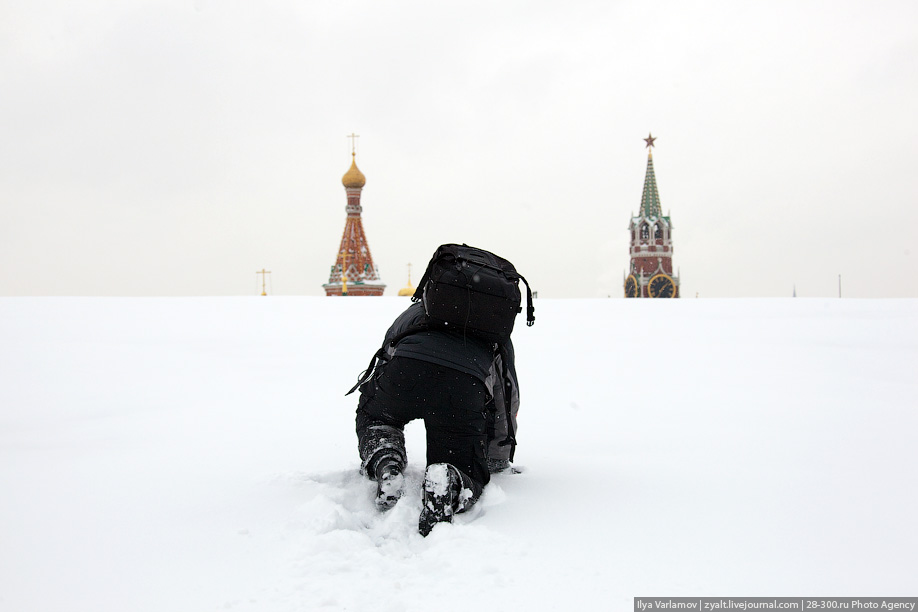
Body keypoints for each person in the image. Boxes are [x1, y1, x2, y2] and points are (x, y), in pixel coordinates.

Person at [352, 299, 520, 536]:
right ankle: (449, 478)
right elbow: (504, 396)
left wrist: (384, 395)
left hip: (404, 372)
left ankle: (385, 460)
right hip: (461, 390)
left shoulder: (416, 311)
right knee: (462, 464)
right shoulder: (493, 327)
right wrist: (496, 457)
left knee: (377, 417)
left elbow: (387, 355)